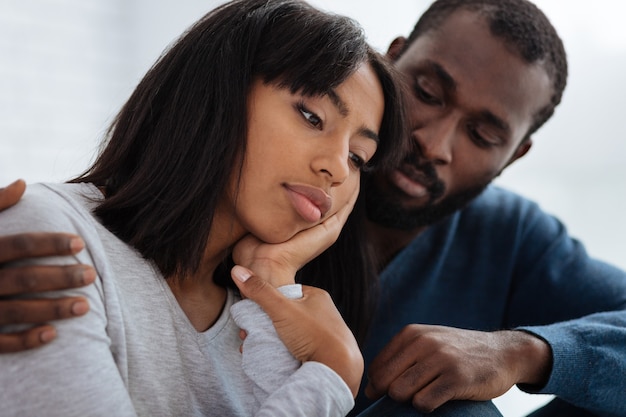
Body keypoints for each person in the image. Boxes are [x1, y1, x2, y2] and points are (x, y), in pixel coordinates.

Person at [2, 0, 626, 416]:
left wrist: (523, 353)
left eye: (484, 136)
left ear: (515, 157)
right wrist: (332, 370)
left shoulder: (508, 237)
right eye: (427, 93)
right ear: (396, 55)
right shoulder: (78, 242)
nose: (432, 143)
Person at [0, 0, 408, 415]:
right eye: (311, 115)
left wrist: (273, 274)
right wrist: (331, 375)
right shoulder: (51, 235)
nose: (338, 168)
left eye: (358, 156)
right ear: (220, 89)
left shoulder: (265, 323)